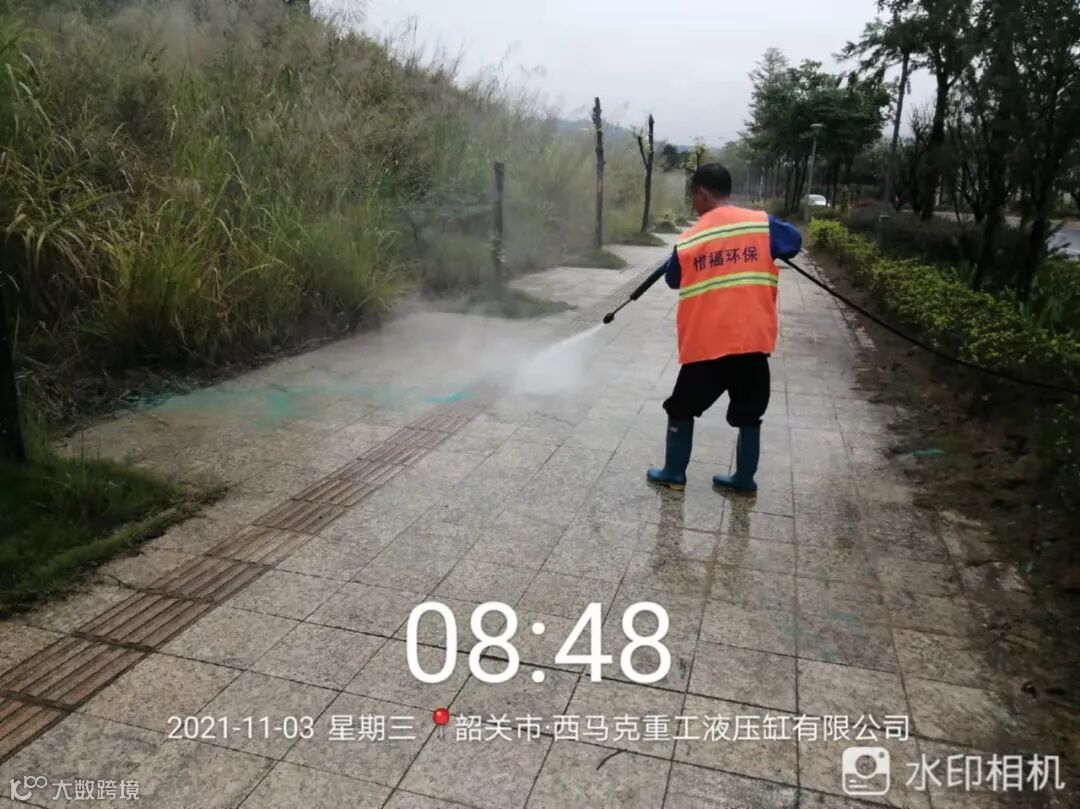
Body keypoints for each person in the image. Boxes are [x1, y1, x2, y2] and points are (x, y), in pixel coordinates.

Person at [646, 163, 802, 493]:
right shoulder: (762, 224)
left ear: (702, 194)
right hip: (752, 341)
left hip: (709, 344)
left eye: (693, 197)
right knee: (750, 413)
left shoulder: (690, 239)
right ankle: (744, 480)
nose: (693, 204)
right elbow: (793, 241)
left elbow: (674, 280)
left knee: (682, 407)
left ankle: (674, 474)